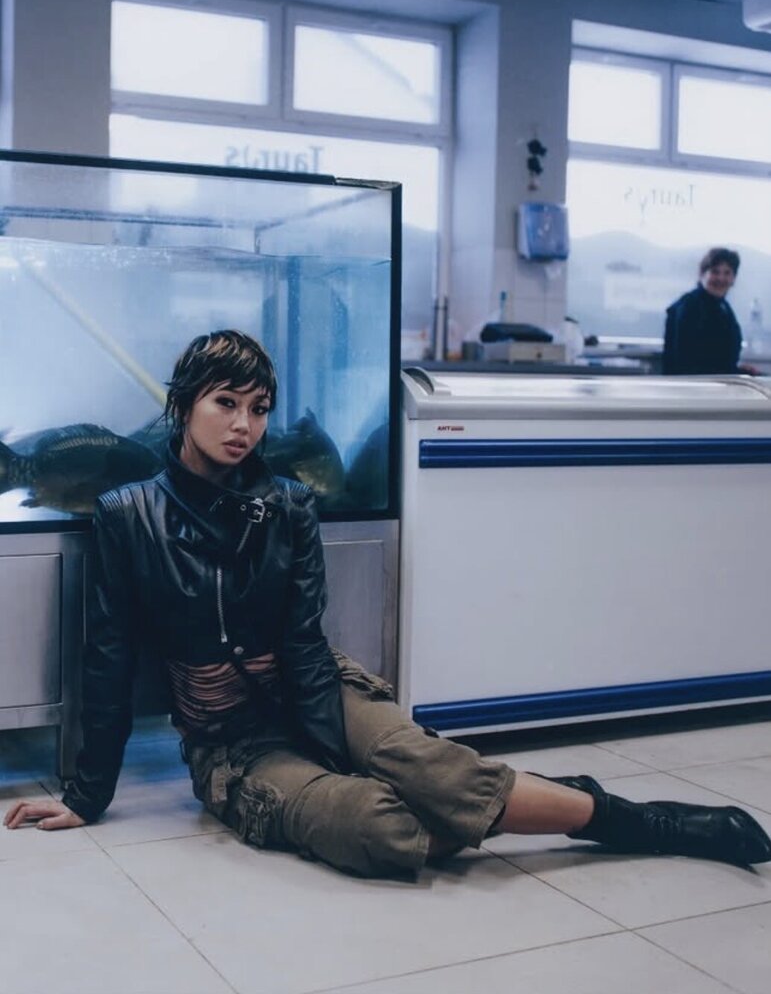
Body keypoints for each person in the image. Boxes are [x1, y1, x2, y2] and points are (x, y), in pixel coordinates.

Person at [5, 330, 771, 875]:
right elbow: (107, 658)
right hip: (230, 742)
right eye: (225, 402)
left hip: (318, 692)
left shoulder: (287, 506)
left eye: (259, 408)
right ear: (182, 405)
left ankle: (642, 822)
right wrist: (86, 797)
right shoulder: (128, 514)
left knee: (433, 771)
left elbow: (304, 642)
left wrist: (329, 743)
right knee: (378, 828)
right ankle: (525, 802)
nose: (244, 425)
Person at [662, 247, 745, 375]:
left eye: (727, 273)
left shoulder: (723, 307)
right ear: (702, 275)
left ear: (734, 278)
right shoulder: (689, 307)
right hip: (695, 385)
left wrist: (739, 371)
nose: (721, 278)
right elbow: (687, 362)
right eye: (715, 272)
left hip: (714, 383)